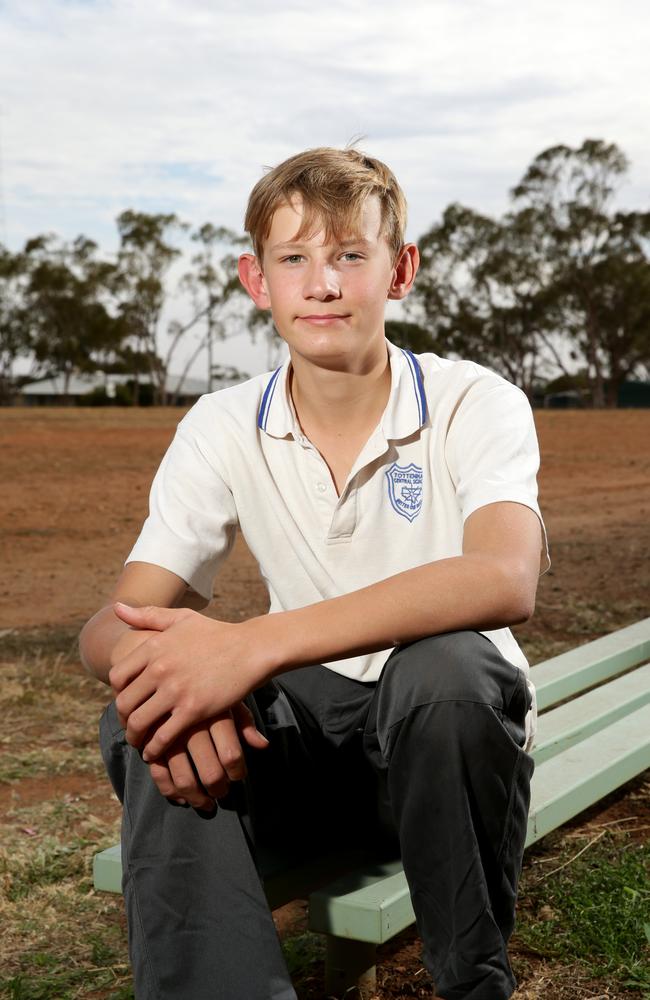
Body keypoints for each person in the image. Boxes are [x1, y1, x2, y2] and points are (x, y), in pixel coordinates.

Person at [80, 146, 550, 1000]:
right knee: (145, 704)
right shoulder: (223, 424)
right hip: (301, 749)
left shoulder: (471, 401)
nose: (321, 285)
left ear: (400, 269)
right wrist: (172, 674)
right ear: (256, 280)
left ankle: (473, 983)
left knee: (445, 670)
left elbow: (503, 577)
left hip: (445, 751)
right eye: (294, 258)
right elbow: (112, 624)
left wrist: (249, 646)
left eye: (349, 256)